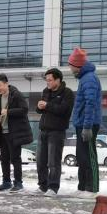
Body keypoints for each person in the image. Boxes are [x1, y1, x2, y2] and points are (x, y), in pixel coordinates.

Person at [0, 74, 33, 193]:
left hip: (14, 132)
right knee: (4, 158)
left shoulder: (16, 94)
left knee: (15, 158)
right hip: (3, 133)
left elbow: (24, 110)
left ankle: (18, 183)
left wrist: (8, 111)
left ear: (6, 83)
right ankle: (6, 182)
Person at [35, 68, 74, 196]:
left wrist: (47, 105)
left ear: (58, 80)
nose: (48, 83)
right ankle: (42, 186)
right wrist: (39, 107)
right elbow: (40, 110)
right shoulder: (45, 91)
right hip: (43, 130)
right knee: (40, 161)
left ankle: (53, 187)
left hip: (57, 132)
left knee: (53, 162)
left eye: (50, 80)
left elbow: (64, 110)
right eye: (46, 80)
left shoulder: (67, 93)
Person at [68, 47, 102, 198]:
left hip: (88, 124)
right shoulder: (84, 78)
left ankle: (92, 188)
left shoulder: (89, 78)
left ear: (77, 65)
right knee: (81, 156)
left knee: (89, 156)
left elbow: (90, 103)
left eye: (70, 65)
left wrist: (87, 126)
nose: (69, 67)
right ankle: (82, 186)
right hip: (81, 123)